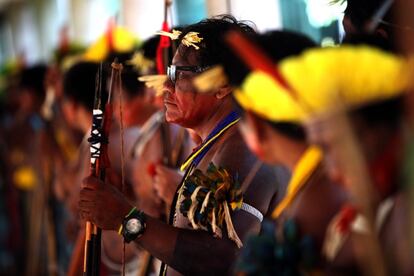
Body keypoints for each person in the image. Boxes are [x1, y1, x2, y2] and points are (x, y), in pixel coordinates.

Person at [79, 15, 287, 275]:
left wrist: (126, 218)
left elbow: (224, 257)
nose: (165, 86)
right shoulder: (217, 143)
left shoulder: (241, 147)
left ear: (221, 84)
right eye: (168, 73)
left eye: (178, 74)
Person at [257, 43, 413, 274]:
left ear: (378, 132)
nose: (332, 172)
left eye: (332, 146)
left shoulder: (403, 213)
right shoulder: (353, 217)